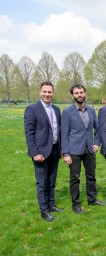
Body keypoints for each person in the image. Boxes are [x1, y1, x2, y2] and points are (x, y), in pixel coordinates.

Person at [61, 84, 104, 214]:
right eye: (76, 93)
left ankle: (92, 199)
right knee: (75, 178)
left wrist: (96, 142)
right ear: (73, 95)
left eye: (81, 92)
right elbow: (64, 134)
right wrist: (66, 154)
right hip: (74, 151)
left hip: (89, 149)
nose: (79, 95)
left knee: (91, 176)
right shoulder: (67, 112)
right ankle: (76, 204)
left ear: (85, 93)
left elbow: (98, 129)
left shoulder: (91, 110)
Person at [24, 82, 62, 222]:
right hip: (40, 152)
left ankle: (51, 204)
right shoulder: (32, 109)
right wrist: (34, 152)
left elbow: (59, 131)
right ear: (40, 92)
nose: (47, 94)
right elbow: (29, 133)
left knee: (52, 180)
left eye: (50, 92)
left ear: (53, 93)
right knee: (42, 182)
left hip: (54, 150)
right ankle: (44, 210)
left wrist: (61, 150)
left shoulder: (57, 110)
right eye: (45, 92)